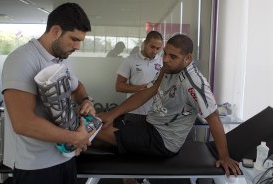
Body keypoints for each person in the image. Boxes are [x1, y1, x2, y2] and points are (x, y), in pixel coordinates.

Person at [97, 34, 241, 179]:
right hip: (150, 125)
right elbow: (149, 91)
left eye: (173, 56)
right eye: (165, 53)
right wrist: (113, 113)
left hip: (163, 141)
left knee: (93, 130)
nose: (165, 59)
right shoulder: (167, 68)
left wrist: (225, 157)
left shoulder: (194, 83)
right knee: (99, 123)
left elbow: (214, 117)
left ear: (187, 58)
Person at [1, 3, 96, 184]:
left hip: (65, 156)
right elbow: (23, 123)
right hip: (36, 166)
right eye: (74, 39)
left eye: (80, 41)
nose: (77, 46)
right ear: (56, 30)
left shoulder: (61, 58)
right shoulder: (22, 59)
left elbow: (76, 86)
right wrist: (77, 138)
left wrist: (86, 100)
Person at [115, 31, 163, 122]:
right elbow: (118, 86)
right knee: (131, 136)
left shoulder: (162, 62)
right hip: (134, 112)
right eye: (152, 47)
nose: (155, 51)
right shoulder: (130, 60)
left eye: (158, 48)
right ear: (145, 43)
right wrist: (139, 88)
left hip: (156, 113)